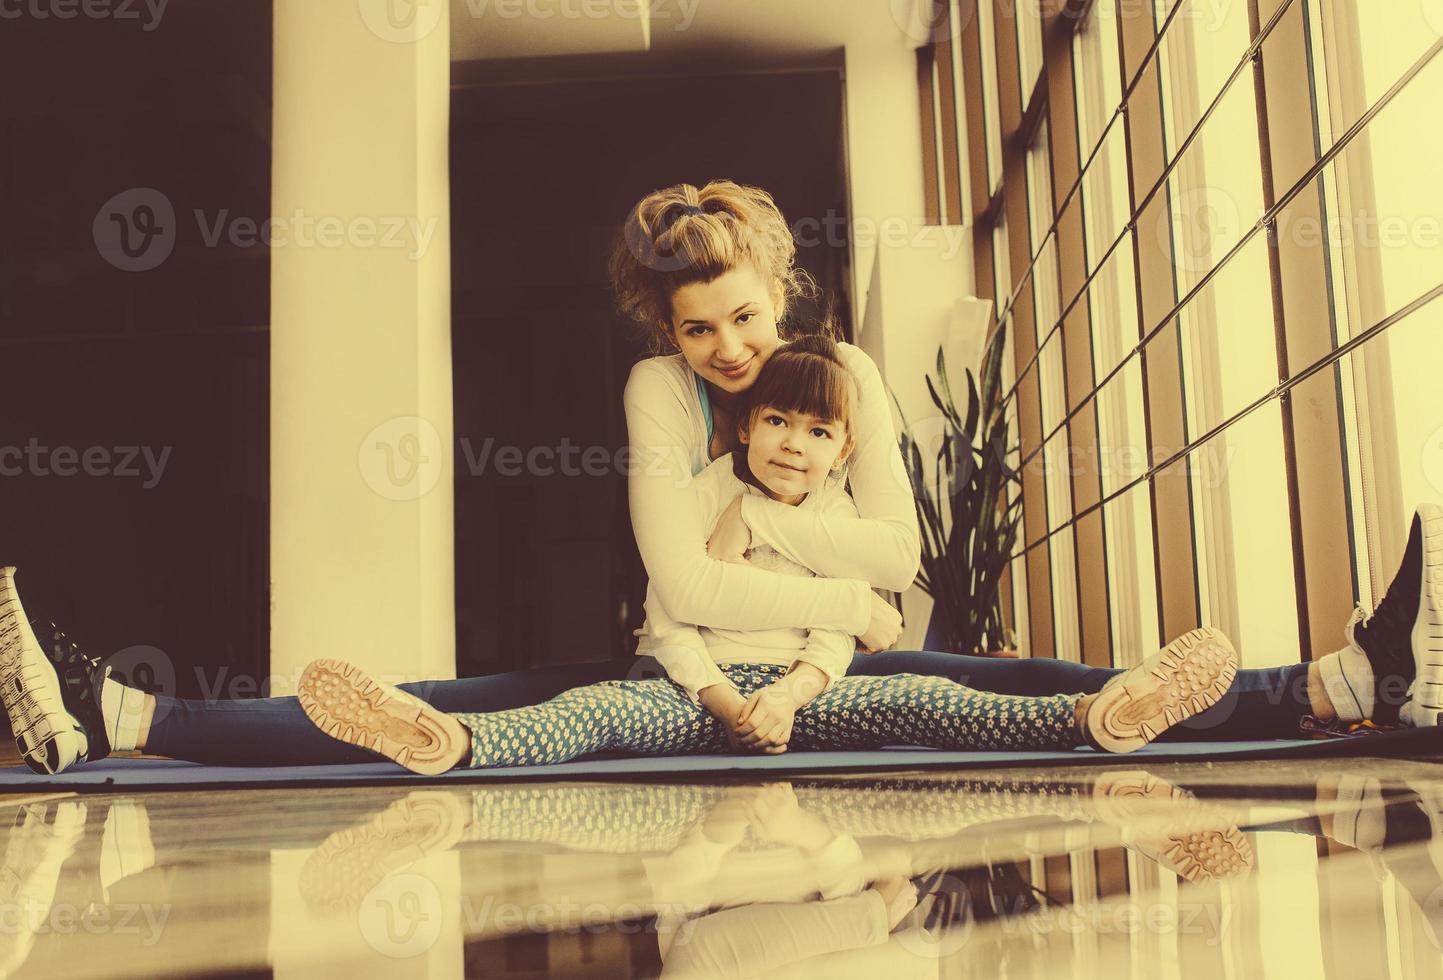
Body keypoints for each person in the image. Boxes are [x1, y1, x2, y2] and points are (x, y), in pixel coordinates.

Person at [1, 180, 1439, 774]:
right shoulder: (651, 391)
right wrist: (805, 558)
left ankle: (1338, 685)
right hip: (686, 667)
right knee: (455, 705)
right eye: (697, 330)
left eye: (746, 317)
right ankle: (118, 712)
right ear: (661, 330)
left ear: (781, 287)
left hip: (821, 667)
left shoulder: (851, 377)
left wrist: (785, 563)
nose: (731, 354)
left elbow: (900, 568)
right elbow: (677, 585)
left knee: (1024, 685)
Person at [290, 336, 1243, 773]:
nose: (792, 442)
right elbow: (672, 620)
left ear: (843, 448)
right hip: (692, 697)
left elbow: (840, 637)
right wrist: (719, 698)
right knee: (587, 711)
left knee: (931, 699)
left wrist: (787, 696)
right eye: (775, 421)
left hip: (808, 702)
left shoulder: (836, 520)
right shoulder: (704, 494)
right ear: (744, 427)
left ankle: (1101, 716)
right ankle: (448, 742)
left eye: (816, 431)